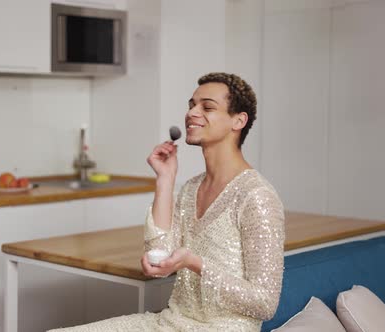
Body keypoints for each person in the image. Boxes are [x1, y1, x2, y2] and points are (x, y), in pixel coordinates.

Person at [50, 72, 285, 331]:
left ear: (238, 121)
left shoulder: (256, 196)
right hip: (170, 323)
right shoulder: (191, 188)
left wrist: (195, 263)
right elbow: (159, 258)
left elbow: (265, 304)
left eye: (207, 107)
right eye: (191, 105)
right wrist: (165, 180)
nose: (192, 113)